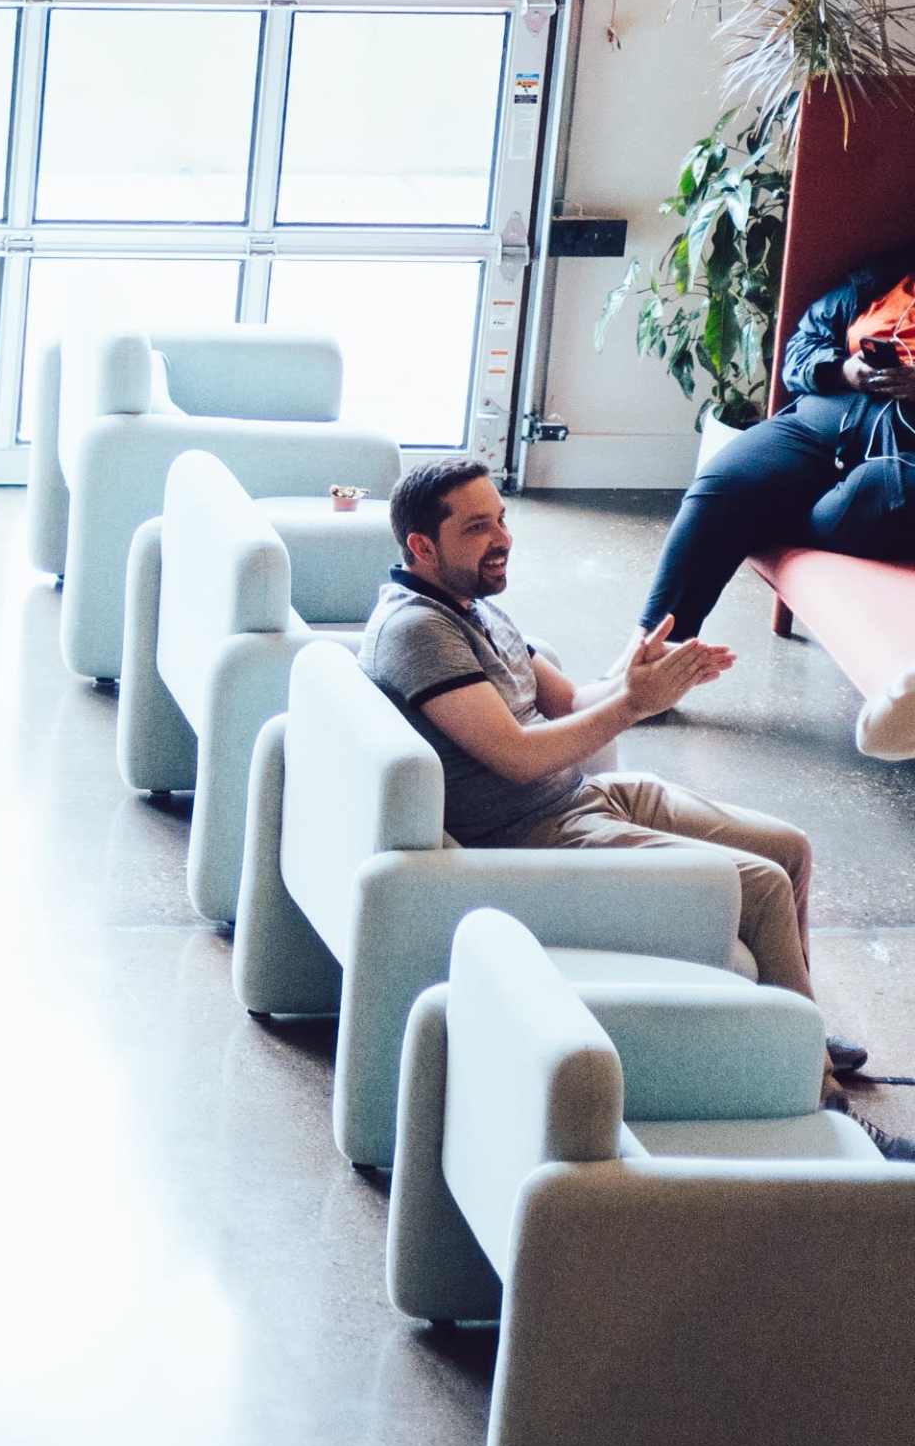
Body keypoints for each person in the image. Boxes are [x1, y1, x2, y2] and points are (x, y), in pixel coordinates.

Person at [366, 456, 861, 1072]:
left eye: (501, 519)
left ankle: (796, 1023)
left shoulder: (472, 603)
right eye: (476, 529)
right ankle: (811, 1085)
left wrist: (640, 682)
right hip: (527, 830)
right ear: (421, 545)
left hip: (579, 796)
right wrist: (634, 703)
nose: (502, 540)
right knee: (757, 884)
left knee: (788, 848)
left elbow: (569, 701)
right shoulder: (418, 630)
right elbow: (518, 759)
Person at [639, 239, 915, 639]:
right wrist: (843, 371)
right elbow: (801, 350)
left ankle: (786, 518)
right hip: (819, 423)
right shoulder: (884, 278)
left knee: (874, 493)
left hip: (900, 453)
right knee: (722, 485)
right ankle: (649, 655)